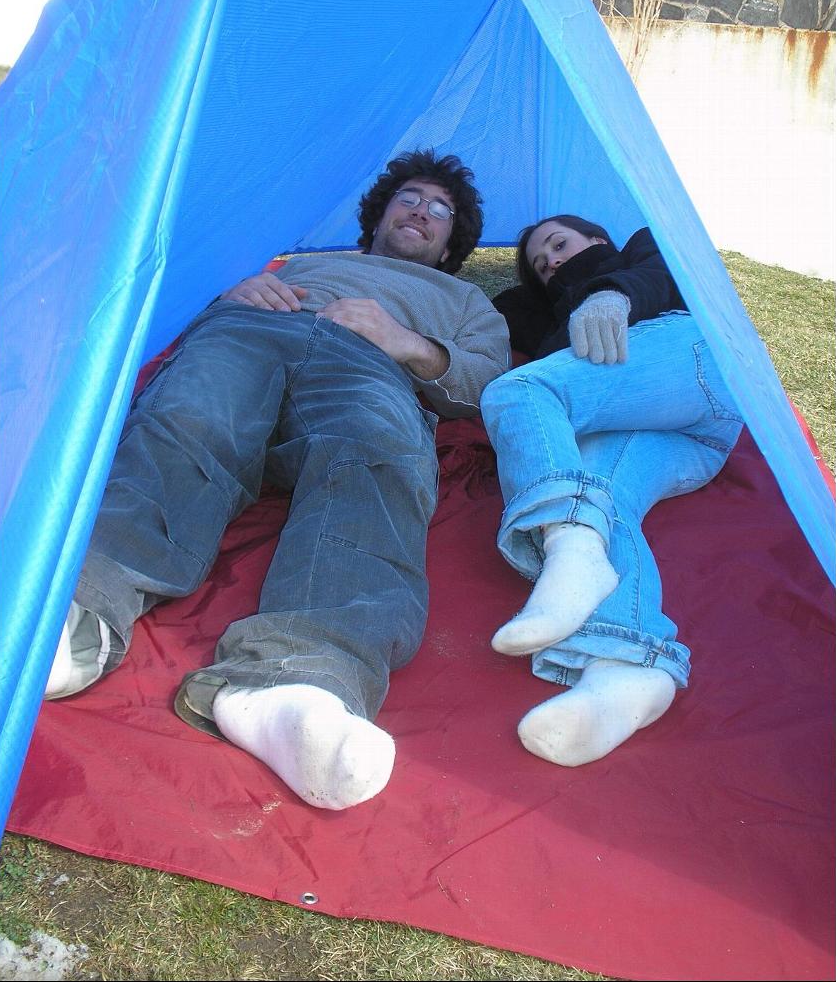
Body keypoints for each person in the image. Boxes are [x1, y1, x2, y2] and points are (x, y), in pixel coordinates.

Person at [45, 149, 511, 810]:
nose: (422, 211)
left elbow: (486, 383)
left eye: (441, 210)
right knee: (186, 423)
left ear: (448, 246)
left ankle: (299, 677)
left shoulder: (462, 299)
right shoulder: (296, 261)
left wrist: (402, 341)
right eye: (410, 196)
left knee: (375, 462)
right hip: (253, 330)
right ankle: (79, 614)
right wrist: (226, 297)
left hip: (369, 369)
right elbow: (178, 306)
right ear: (378, 213)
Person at [480, 215, 743, 767]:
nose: (550, 261)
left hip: (694, 358)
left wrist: (611, 294)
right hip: (693, 444)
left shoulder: (639, 250)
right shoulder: (537, 316)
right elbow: (490, 327)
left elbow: (672, 268)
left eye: (558, 244)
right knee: (603, 497)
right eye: (538, 263)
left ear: (598, 240)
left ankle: (570, 551)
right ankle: (627, 671)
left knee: (520, 389)